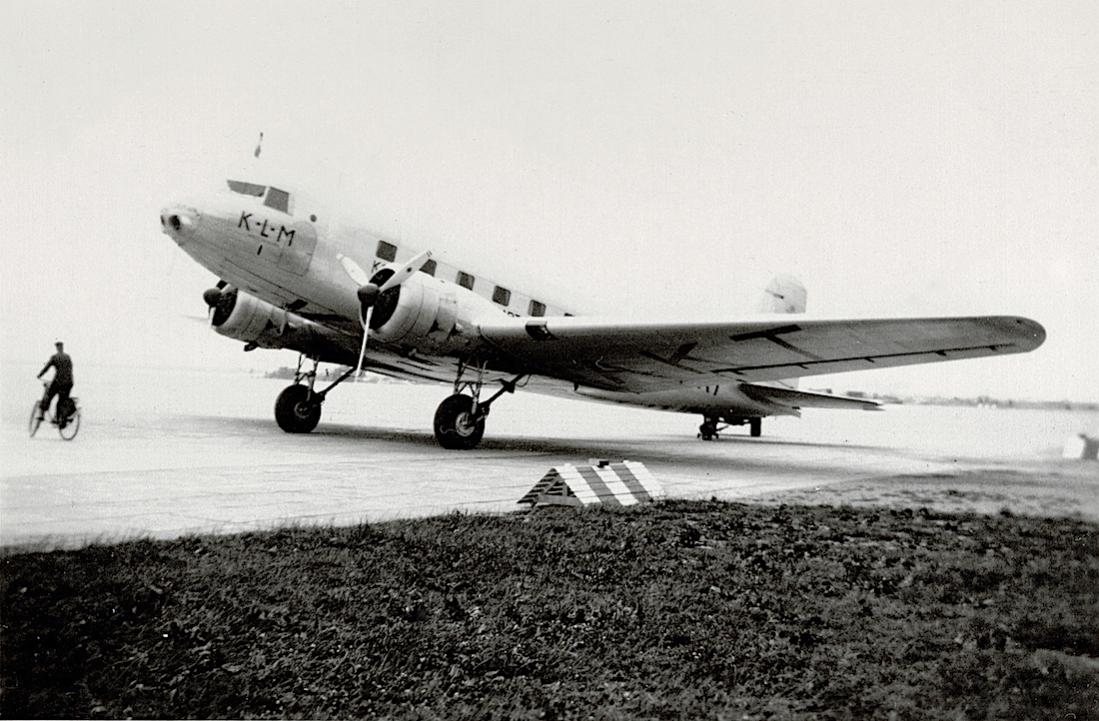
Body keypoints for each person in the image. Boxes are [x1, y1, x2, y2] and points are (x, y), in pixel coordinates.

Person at [37, 341, 74, 422]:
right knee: (62, 401)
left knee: (48, 396)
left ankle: (41, 414)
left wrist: (39, 375)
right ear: (62, 347)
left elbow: (46, 368)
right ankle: (59, 418)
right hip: (69, 382)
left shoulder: (54, 357)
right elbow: (70, 369)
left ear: (57, 348)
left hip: (59, 382)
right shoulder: (68, 357)